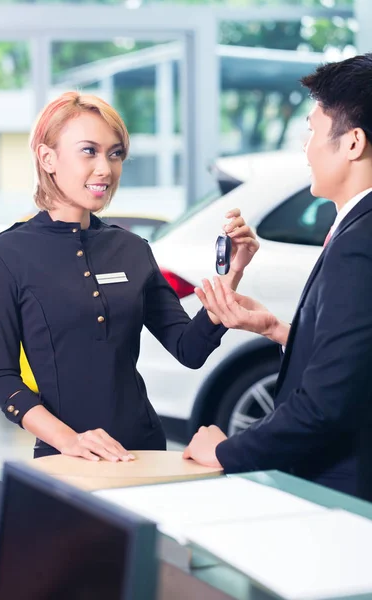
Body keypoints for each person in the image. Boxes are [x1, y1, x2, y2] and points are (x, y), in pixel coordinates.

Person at [0, 91, 259, 462]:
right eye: (88, 151)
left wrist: (232, 273)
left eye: (115, 154)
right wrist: (70, 441)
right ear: (48, 158)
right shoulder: (6, 254)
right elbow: (1, 379)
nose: (105, 169)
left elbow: (188, 349)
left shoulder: (133, 248)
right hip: (65, 457)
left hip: (144, 449)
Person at [183, 53, 372, 501]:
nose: (305, 149)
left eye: (312, 130)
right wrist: (278, 329)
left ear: (352, 143)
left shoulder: (359, 242)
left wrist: (227, 452)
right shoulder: (355, 229)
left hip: (347, 493)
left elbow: (326, 406)